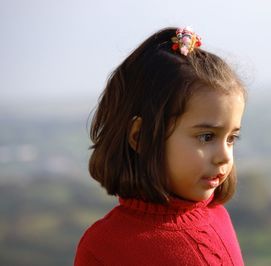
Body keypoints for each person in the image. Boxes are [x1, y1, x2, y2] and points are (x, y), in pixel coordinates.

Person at [74, 26, 246, 266]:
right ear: (141, 136)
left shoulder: (218, 217)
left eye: (231, 139)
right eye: (206, 137)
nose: (224, 157)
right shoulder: (105, 247)